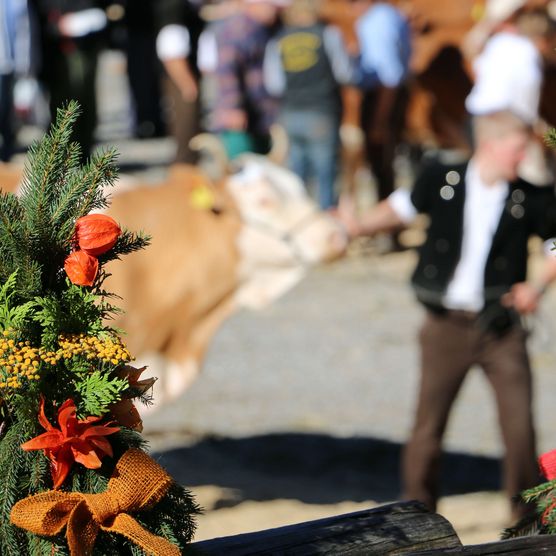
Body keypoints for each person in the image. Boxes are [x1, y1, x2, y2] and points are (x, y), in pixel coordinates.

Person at [341, 109, 556, 519]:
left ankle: (528, 526)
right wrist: (354, 228)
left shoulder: (531, 196)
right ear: (490, 146)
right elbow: (399, 210)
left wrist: (538, 285)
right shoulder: (443, 178)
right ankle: (418, 518)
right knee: (427, 430)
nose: (522, 159)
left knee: (519, 432)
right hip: (446, 325)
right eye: (516, 150)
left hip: (501, 327)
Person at [263, 0, 353, 210]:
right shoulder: (328, 34)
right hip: (322, 112)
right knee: (326, 176)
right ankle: (326, 225)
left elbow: (274, 85)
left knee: (297, 178)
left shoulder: (278, 40)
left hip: (290, 114)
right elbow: (345, 73)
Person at [465, 0, 556, 186]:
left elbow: (476, 66)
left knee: (483, 176)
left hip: (479, 121)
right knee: (533, 178)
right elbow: (526, 110)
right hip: (507, 124)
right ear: (543, 40)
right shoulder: (529, 57)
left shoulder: (500, 41)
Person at [209, 0, 290, 159]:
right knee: (242, 170)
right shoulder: (236, 29)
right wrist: (233, 107)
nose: (276, 12)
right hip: (242, 117)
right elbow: (227, 70)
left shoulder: (270, 28)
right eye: (272, 7)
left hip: (264, 115)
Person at [31, 0, 109, 160]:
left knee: (81, 98)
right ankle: (57, 158)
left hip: (83, 38)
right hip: (53, 42)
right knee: (62, 102)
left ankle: (80, 153)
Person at [352, 0, 412, 204]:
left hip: (382, 98)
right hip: (386, 95)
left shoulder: (375, 21)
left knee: (381, 162)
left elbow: (389, 75)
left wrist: (380, 119)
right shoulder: (388, 15)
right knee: (383, 163)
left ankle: (387, 221)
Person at [154, 0, 205, 163]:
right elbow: (171, 49)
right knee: (186, 132)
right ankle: (184, 174)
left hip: (185, 74)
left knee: (191, 131)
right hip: (181, 77)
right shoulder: (174, 6)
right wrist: (186, 83)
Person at [0, 0, 37, 161]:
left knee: (6, 107)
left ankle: (8, 147)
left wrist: (26, 64)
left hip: (11, 63)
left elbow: (25, 30)